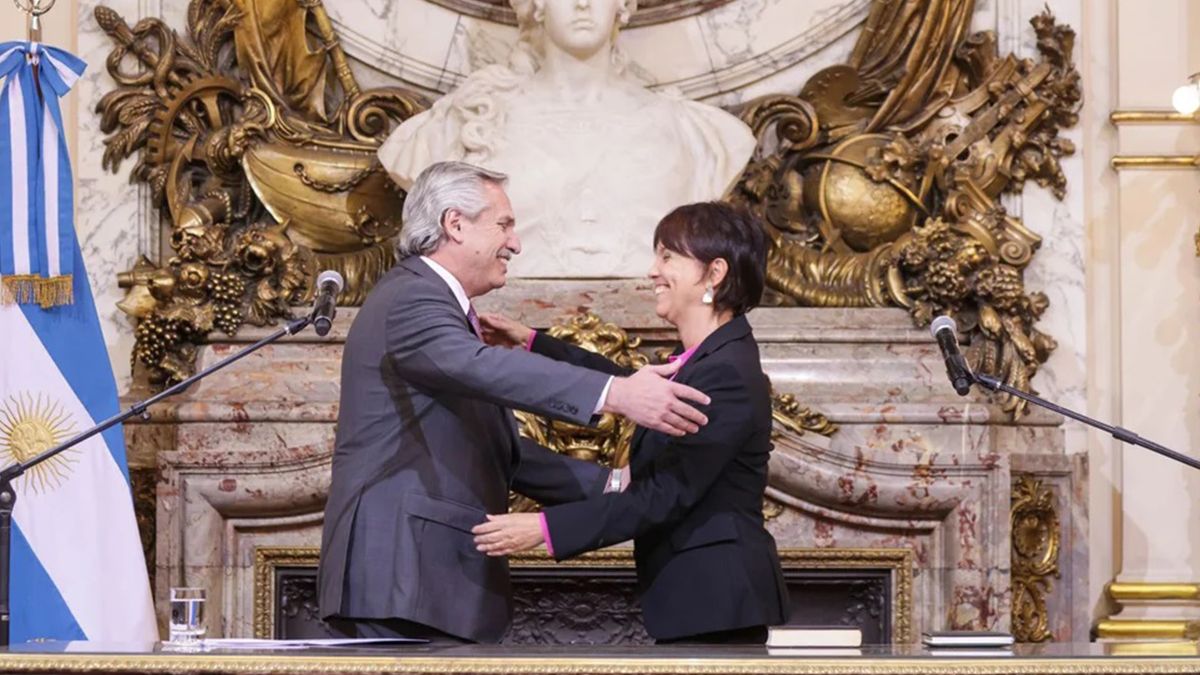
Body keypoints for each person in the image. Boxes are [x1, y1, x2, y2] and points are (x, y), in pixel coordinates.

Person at [318, 161, 712, 644]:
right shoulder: (411, 298)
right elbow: (481, 365)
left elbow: (495, 449)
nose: (516, 242)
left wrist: (612, 482)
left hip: (428, 579)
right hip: (405, 575)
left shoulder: (437, 305)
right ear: (455, 224)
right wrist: (617, 393)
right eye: (504, 224)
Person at [472, 202, 790, 644]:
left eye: (667, 257)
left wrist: (544, 529)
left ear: (714, 273)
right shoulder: (707, 359)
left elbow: (665, 493)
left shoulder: (726, 373)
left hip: (719, 601)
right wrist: (532, 342)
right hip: (704, 599)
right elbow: (628, 382)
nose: (653, 271)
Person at [377, 0, 755, 278]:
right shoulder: (465, 120)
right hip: (496, 351)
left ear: (623, 5)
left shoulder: (698, 132)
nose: (582, 4)